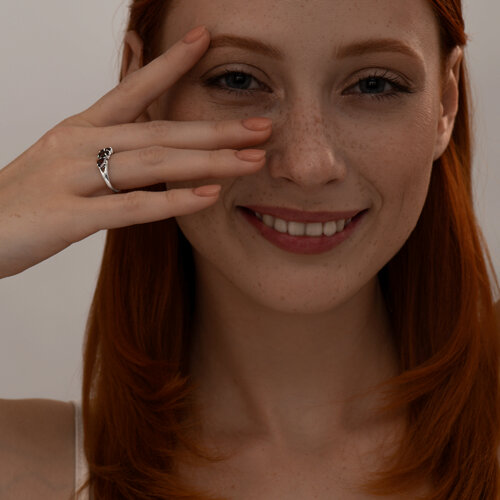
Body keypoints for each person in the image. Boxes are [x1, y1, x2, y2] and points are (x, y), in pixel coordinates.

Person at [0, 0, 499, 499]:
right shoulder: (23, 471)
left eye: (374, 85)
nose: (307, 166)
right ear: (142, 86)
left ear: (445, 103)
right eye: (237, 80)